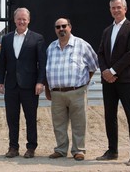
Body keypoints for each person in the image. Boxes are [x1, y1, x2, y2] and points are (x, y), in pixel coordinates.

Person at [45, 18, 98, 161]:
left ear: (70, 27)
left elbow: (93, 65)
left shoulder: (81, 45)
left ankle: (78, 150)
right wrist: (48, 89)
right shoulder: (51, 47)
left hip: (77, 91)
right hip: (57, 93)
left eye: (64, 26)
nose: (61, 29)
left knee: (79, 122)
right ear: (55, 29)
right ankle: (61, 149)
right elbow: (46, 70)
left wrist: (85, 82)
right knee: (58, 123)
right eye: (58, 27)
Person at [0, 7, 47, 158]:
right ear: (14, 20)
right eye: (19, 19)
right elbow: (2, 62)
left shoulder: (37, 38)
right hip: (11, 85)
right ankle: (13, 147)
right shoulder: (6, 39)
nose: (21, 21)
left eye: (24, 19)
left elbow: (42, 63)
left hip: (30, 86)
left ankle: (31, 147)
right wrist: (0, 81)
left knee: (30, 118)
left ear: (29, 20)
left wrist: (40, 82)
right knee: (12, 118)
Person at [96, 0, 130, 166]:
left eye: (118, 7)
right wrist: (105, 71)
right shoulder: (107, 31)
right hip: (108, 82)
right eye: (113, 8)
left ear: (125, 9)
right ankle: (112, 150)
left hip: (126, 80)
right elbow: (101, 53)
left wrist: (112, 71)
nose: (116, 10)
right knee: (109, 116)